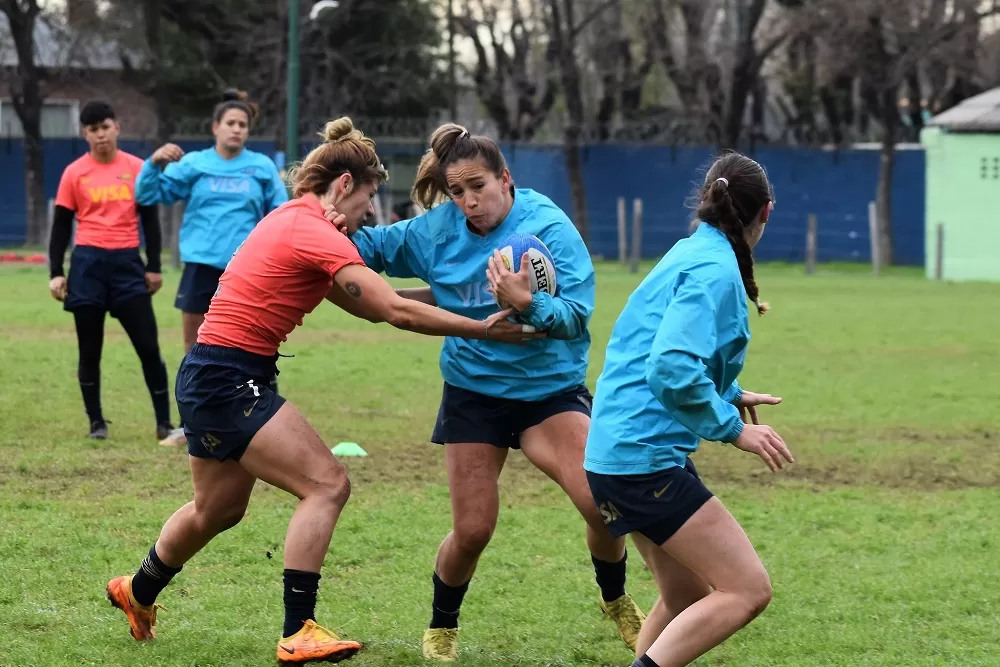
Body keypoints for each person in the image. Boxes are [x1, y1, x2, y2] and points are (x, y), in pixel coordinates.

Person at [104, 117, 536, 666]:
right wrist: (484, 327)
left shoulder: (298, 221)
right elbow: (394, 311)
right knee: (327, 484)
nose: (369, 215)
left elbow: (369, 303)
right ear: (345, 186)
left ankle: (136, 590)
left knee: (218, 508)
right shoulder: (313, 230)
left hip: (212, 373)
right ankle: (297, 629)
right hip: (228, 378)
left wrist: (457, 299)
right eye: (369, 199)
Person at [336, 123, 645, 662]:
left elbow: (577, 317)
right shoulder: (435, 231)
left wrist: (527, 304)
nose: (469, 201)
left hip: (548, 391)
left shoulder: (547, 227)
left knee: (602, 507)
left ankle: (615, 598)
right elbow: (365, 247)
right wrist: (328, 216)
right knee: (473, 529)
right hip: (473, 392)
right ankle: (442, 627)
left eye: (478, 186)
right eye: (457, 191)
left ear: (506, 178)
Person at [583, 151, 795, 667]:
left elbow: (663, 349)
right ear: (766, 212)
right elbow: (671, 366)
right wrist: (731, 429)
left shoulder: (693, 251)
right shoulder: (714, 268)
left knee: (687, 599)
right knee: (747, 589)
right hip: (642, 460)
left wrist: (729, 392)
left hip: (615, 455)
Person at [135, 89, 288, 447]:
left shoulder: (261, 167)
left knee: (256, 344)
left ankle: (268, 422)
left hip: (246, 271)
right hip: (201, 268)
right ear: (216, 127)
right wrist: (154, 163)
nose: (237, 130)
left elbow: (280, 216)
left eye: (243, 125)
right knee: (195, 348)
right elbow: (147, 195)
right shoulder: (195, 164)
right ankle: (192, 430)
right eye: (230, 123)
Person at [48, 100, 175, 441]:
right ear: (84, 134)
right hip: (87, 266)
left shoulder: (136, 168)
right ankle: (96, 424)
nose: (100, 135)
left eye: (105, 127)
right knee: (90, 349)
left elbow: (150, 220)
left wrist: (154, 267)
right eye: (93, 130)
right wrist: (56, 271)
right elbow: (60, 227)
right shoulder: (74, 173)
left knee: (148, 347)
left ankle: (164, 424)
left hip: (127, 266)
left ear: (116, 127)